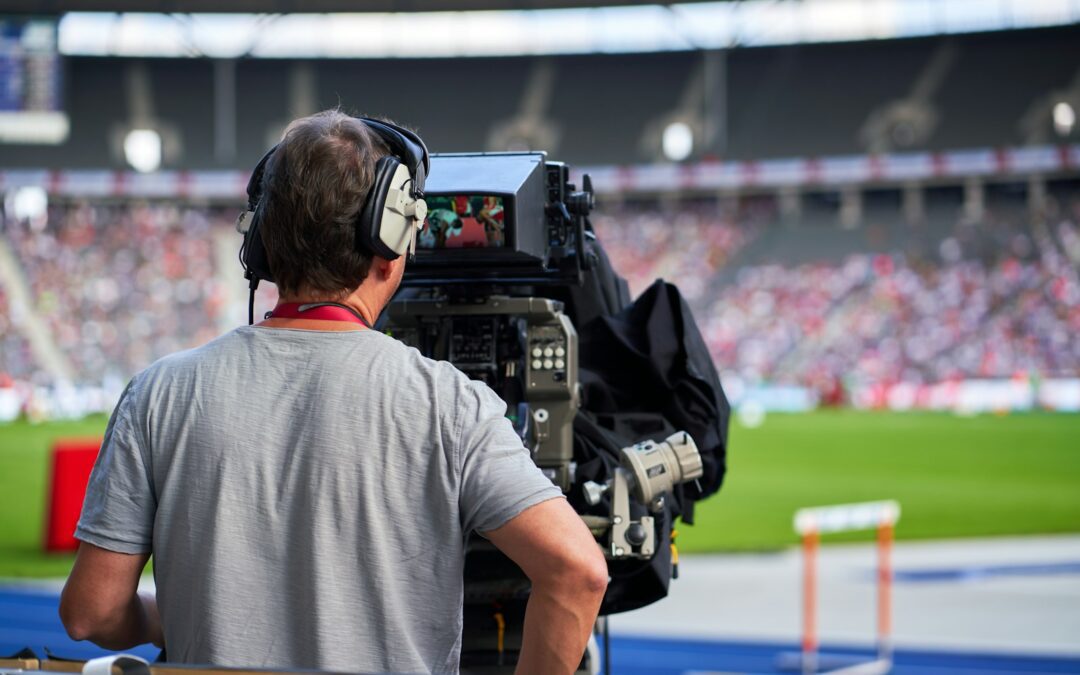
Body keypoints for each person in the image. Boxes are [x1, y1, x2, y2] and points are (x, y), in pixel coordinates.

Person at [59, 110, 608, 674]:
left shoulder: (158, 393)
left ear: (262, 242)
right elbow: (577, 572)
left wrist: (166, 618)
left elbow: (91, 614)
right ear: (391, 237)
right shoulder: (449, 402)